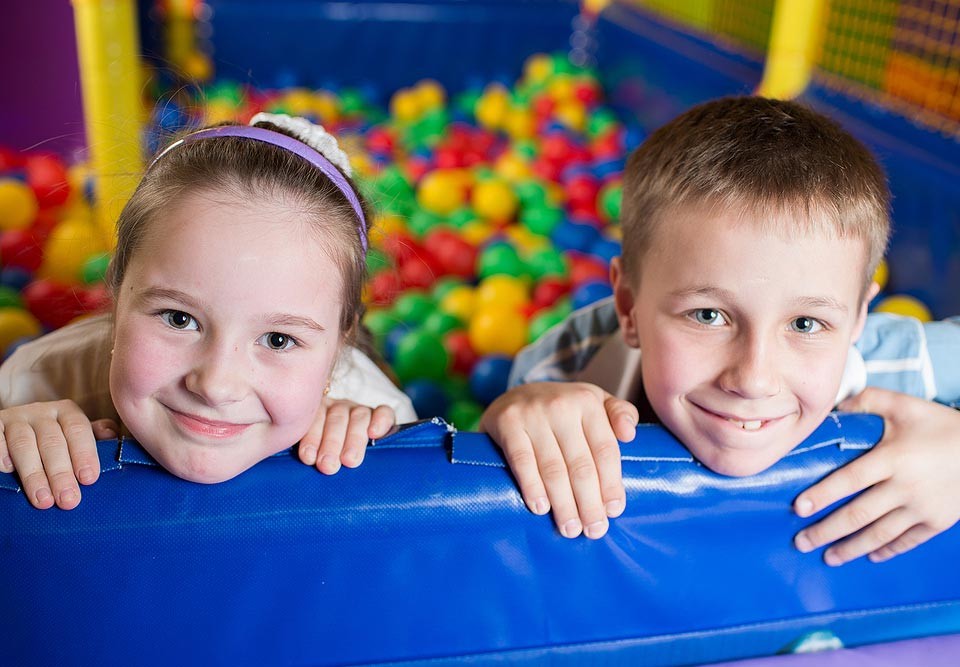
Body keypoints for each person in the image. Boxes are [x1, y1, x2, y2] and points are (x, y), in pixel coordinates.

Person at [480, 96, 960, 566]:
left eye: (806, 324)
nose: (753, 379)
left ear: (857, 319)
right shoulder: (560, 366)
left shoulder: (892, 361)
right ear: (628, 306)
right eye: (708, 315)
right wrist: (505, 419)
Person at [0, 113, 416, 510]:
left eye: (278, 340)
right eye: (179, 318)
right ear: (115, 291)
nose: (216, 385)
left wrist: (374, 451)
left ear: (338, 346)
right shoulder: (29, 384)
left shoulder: (382, 426)